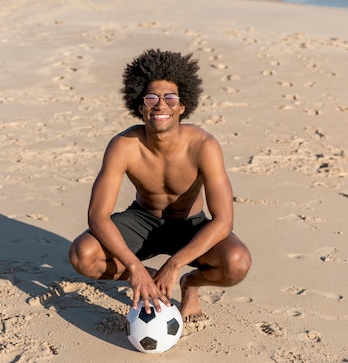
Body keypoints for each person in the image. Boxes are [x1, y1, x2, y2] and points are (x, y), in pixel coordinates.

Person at [69, 49, 251, 321]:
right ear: (141, 106)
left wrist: (175, 265)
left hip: (190, 225)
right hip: (142, 220)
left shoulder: (204, 145)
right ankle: (151, 279)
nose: (160, 105)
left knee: (237, 263)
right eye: (151, 98)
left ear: (182, 106)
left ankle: (190, 285)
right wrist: (135, 268)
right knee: (82, 255)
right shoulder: (124, 146)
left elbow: (223, 221)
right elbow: (97, 216)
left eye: (170, 98)